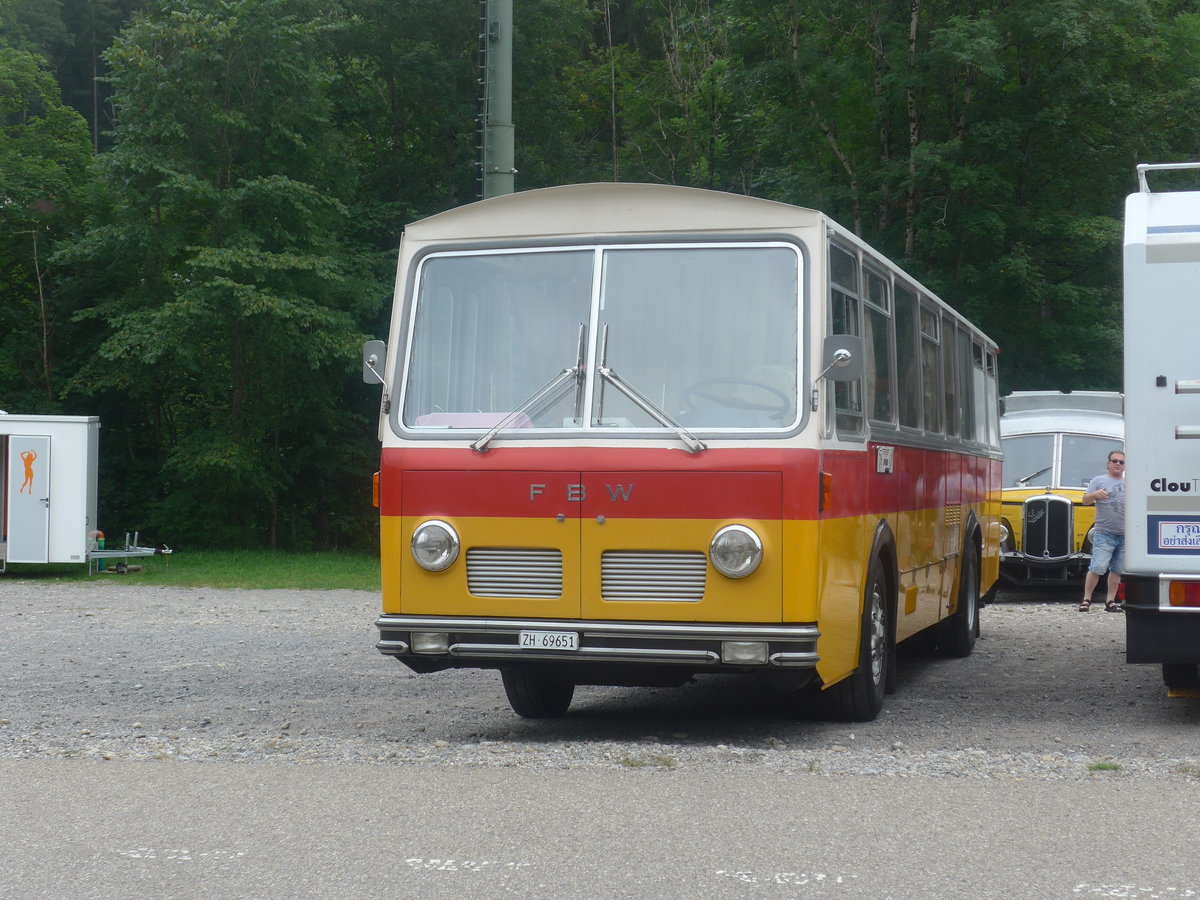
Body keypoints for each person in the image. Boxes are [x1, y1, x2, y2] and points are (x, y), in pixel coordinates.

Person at [1079, 450, 1126, 612]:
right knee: (1097, 567)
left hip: (1125, 534)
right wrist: (1094, 494)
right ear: (1108, 464)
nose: (1118, 464)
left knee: (1117, 570)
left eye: (1121, 462)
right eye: (1115, 461)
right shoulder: (1098, 481)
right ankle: (1086, 599)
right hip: (1104, 532)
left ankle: (1110, 601)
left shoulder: (1130, 483)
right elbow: (1084, 501)